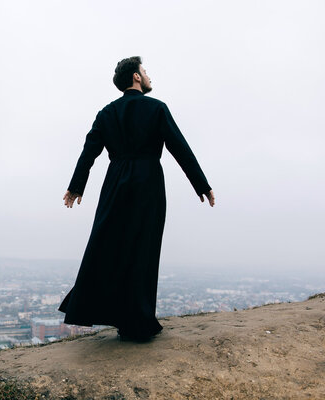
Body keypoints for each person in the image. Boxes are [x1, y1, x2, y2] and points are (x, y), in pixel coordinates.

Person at [58, 56, 215, 342]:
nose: (148, 76)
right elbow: (179, 147)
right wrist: (201, 184)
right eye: (145, 71)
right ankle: (138, 322)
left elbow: (88, 152)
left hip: (115, 182)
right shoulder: (157, 108)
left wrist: (76, 186)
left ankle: (118, 317)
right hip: (148, 182)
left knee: (109, 245)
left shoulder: (106, 113)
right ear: (136, 77)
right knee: (144, 248)